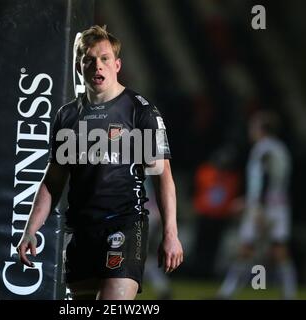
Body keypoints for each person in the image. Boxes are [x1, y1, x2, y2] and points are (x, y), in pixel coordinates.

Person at [16, 25, 183, 300]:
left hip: (124, 224)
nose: (98, 65)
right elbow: (52, 180)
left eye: (105, 58)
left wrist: (171, 234)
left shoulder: (140, 111)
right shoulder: (67, 116)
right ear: (80, 67)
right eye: (90, 59)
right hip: (80, 230)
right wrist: (30, 230)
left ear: (117, 65)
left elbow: (163, 176)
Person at [217, 110, 297, 300]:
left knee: (245, 248)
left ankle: (226, 294)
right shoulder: (281, 148)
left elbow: (265, 177)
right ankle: (290, 295)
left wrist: (257, 206)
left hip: (264, 207)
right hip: (280, 205)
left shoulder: (264, 149)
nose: (250, 130)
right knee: (280, 251)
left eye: (253, 126)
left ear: (261, 128)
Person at [190, 145, 241, 279]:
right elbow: (196, 190)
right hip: (204, 215)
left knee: (214, 248)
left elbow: (232, 195)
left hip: (220, 218)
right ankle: (196, 273)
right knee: (200, 245)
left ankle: (208, 273)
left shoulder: (231, 178)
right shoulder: (205, 172)